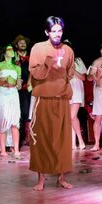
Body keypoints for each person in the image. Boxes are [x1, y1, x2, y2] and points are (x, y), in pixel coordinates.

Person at [29, 16, 74, 191]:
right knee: (43, 139)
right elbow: (35, 73)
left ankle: (61, 178)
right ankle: (41, 179)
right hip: (44, 100)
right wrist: (50, 62)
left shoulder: (68, 50)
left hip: (61, 99)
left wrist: (62, 85)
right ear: (47, 32)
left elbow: (69, 73)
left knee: (62, 141)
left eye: (60, 31)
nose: (57, 34)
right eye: (54, 31)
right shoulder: (38, 48)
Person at [0, 45, 22, 158]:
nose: (12, 51)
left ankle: (16, 150)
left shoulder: (17, 67)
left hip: (13, 93)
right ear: (5, 53)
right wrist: (4, 82)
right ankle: (3, 150)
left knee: (15, 121)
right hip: (2, 93)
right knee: (3, 119)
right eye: (9, 49)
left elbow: (18, 85)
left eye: (12, 50)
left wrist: (18, 84)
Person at [63, 39, 87, 150]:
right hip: (66, 91)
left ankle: (81, 141)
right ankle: (73, 143)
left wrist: (73, 70)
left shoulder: (78, 61)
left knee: (72, 116)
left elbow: (83, 77)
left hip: (76, 90)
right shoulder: (61, 62)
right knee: (69, 118)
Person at [13, 34, 32, 146]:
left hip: (28, 88)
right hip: (15, 88)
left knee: (27, 112)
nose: (22, 43)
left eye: (24, 42)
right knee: (17, 113)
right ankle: (17, 140)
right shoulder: (13, 57)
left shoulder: (31, 57)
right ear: (16, 45)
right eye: (20, 42)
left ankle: (27, 137)